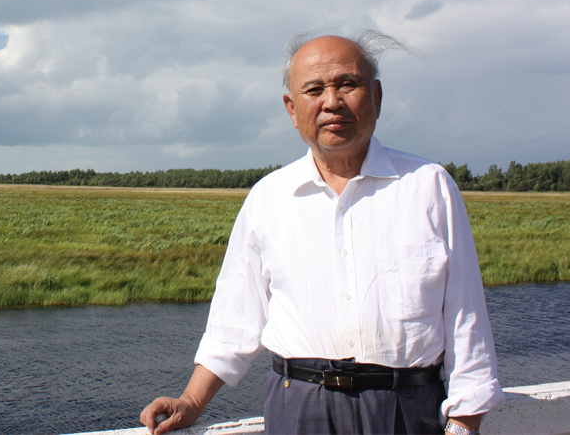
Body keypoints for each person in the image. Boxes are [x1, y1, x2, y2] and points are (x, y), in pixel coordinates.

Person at [140, 31, 504, 435]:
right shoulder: (268, 198)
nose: (332, 101)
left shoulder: (428, 186)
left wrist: (464, 423)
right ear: (292, 109)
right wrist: (191, 402)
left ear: (377, 96)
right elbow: (234, 322)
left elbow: (467, 319)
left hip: (406, 409)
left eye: (348, 84)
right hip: (298, 408)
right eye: (314, 90)